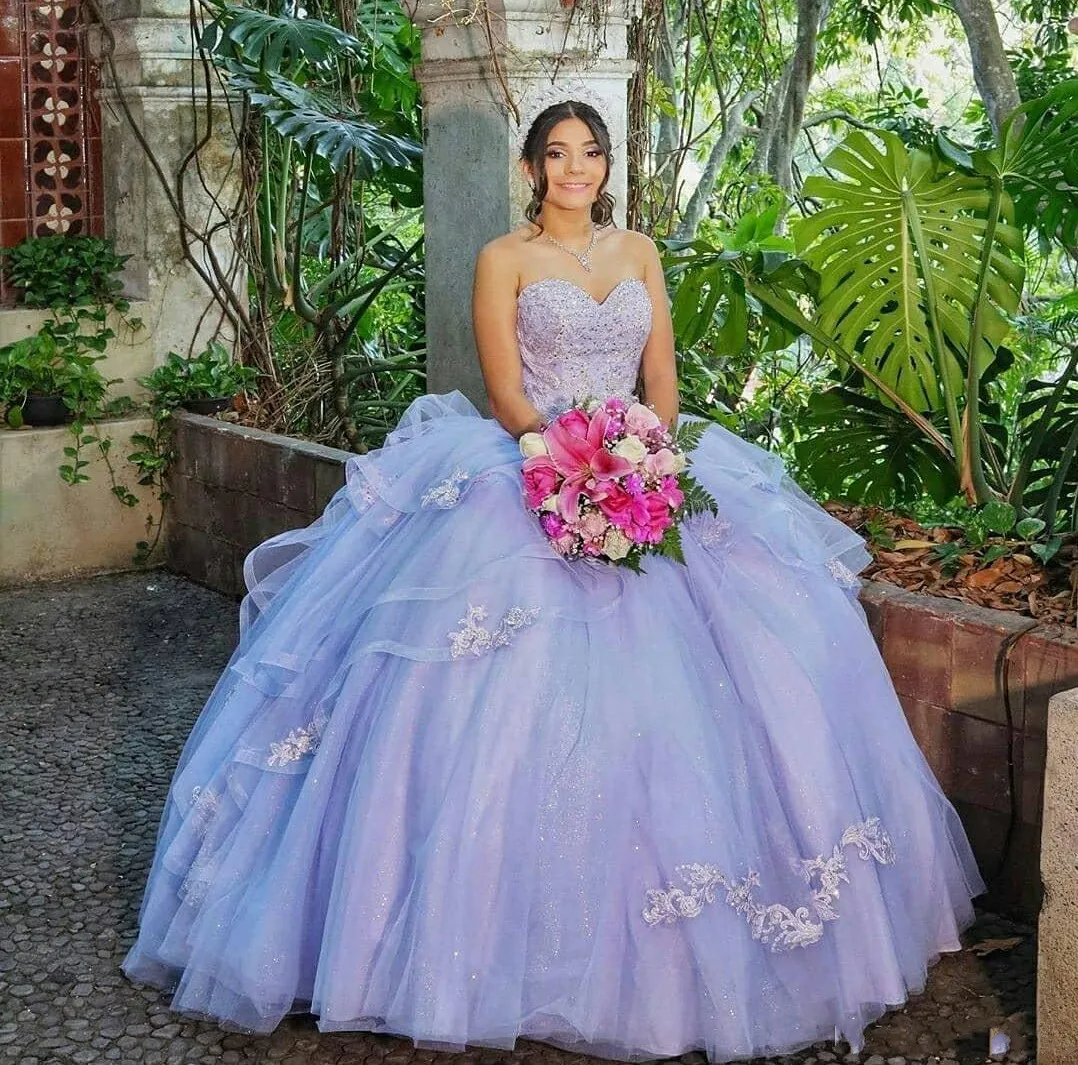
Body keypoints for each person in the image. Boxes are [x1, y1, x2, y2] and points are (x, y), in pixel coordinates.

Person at [123, 96, 983, 1062]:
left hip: (644, 471)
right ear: (532, 168)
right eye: (558, 154)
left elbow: (663, 379)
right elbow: (503, 391)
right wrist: (570, 467)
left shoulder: (641, 252)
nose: (576, 168)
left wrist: (643, 462)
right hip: (532, 470)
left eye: (591, 153)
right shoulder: (503, 258)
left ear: (607, 166)